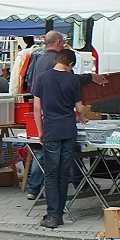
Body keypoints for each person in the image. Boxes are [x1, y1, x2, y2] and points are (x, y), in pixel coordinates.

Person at [32, 47, 84, 229]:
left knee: (51, 174)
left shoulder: (43, 78)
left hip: (51, 130)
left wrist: (40, 131)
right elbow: (80, 108)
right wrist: (82, 117)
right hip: (68, 130)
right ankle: (59, 213)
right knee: (64, 174)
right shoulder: (73, 80)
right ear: (70, 64)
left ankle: (52, 215)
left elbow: (37, 109)